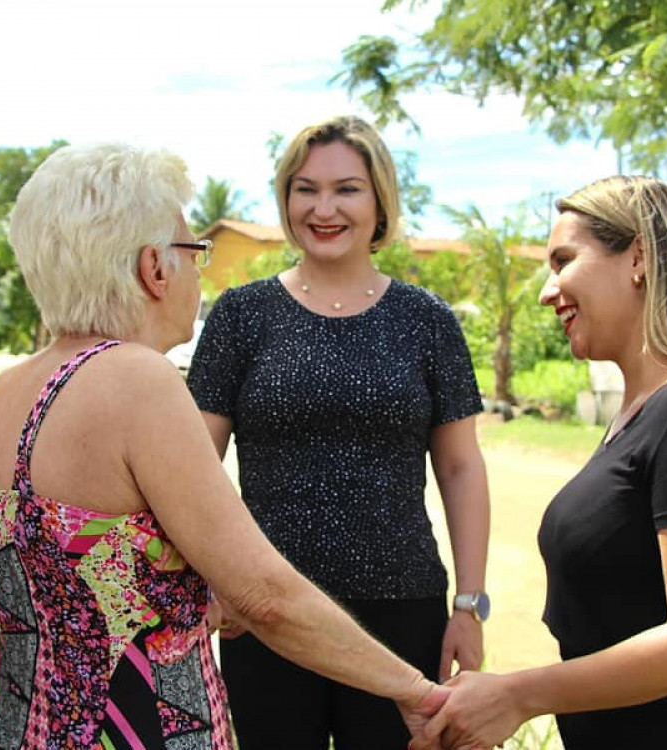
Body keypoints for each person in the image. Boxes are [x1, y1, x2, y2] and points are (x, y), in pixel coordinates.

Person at [0, 142, 449, 749]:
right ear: (155, 268)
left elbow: (69, 578)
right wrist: (416, 691)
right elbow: (264, 596)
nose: (201, 271)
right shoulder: (136, 379)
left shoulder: (1, 394)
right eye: (195, 252)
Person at [412, 176, 667, 750]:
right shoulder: (642, 411)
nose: (547, 292)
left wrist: (517, 696)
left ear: (639, 256)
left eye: (563, 261)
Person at [187, 115, 491, 750]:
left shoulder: (427, 320)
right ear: (286, 199)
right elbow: (193, 469)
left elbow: (461, 468)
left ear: (379, 201)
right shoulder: (241, 316)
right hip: (264, 610)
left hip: (400, 610)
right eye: (306, 189)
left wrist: (469, 605)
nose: (323, 209)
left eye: (346, 189)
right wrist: (212, 582)